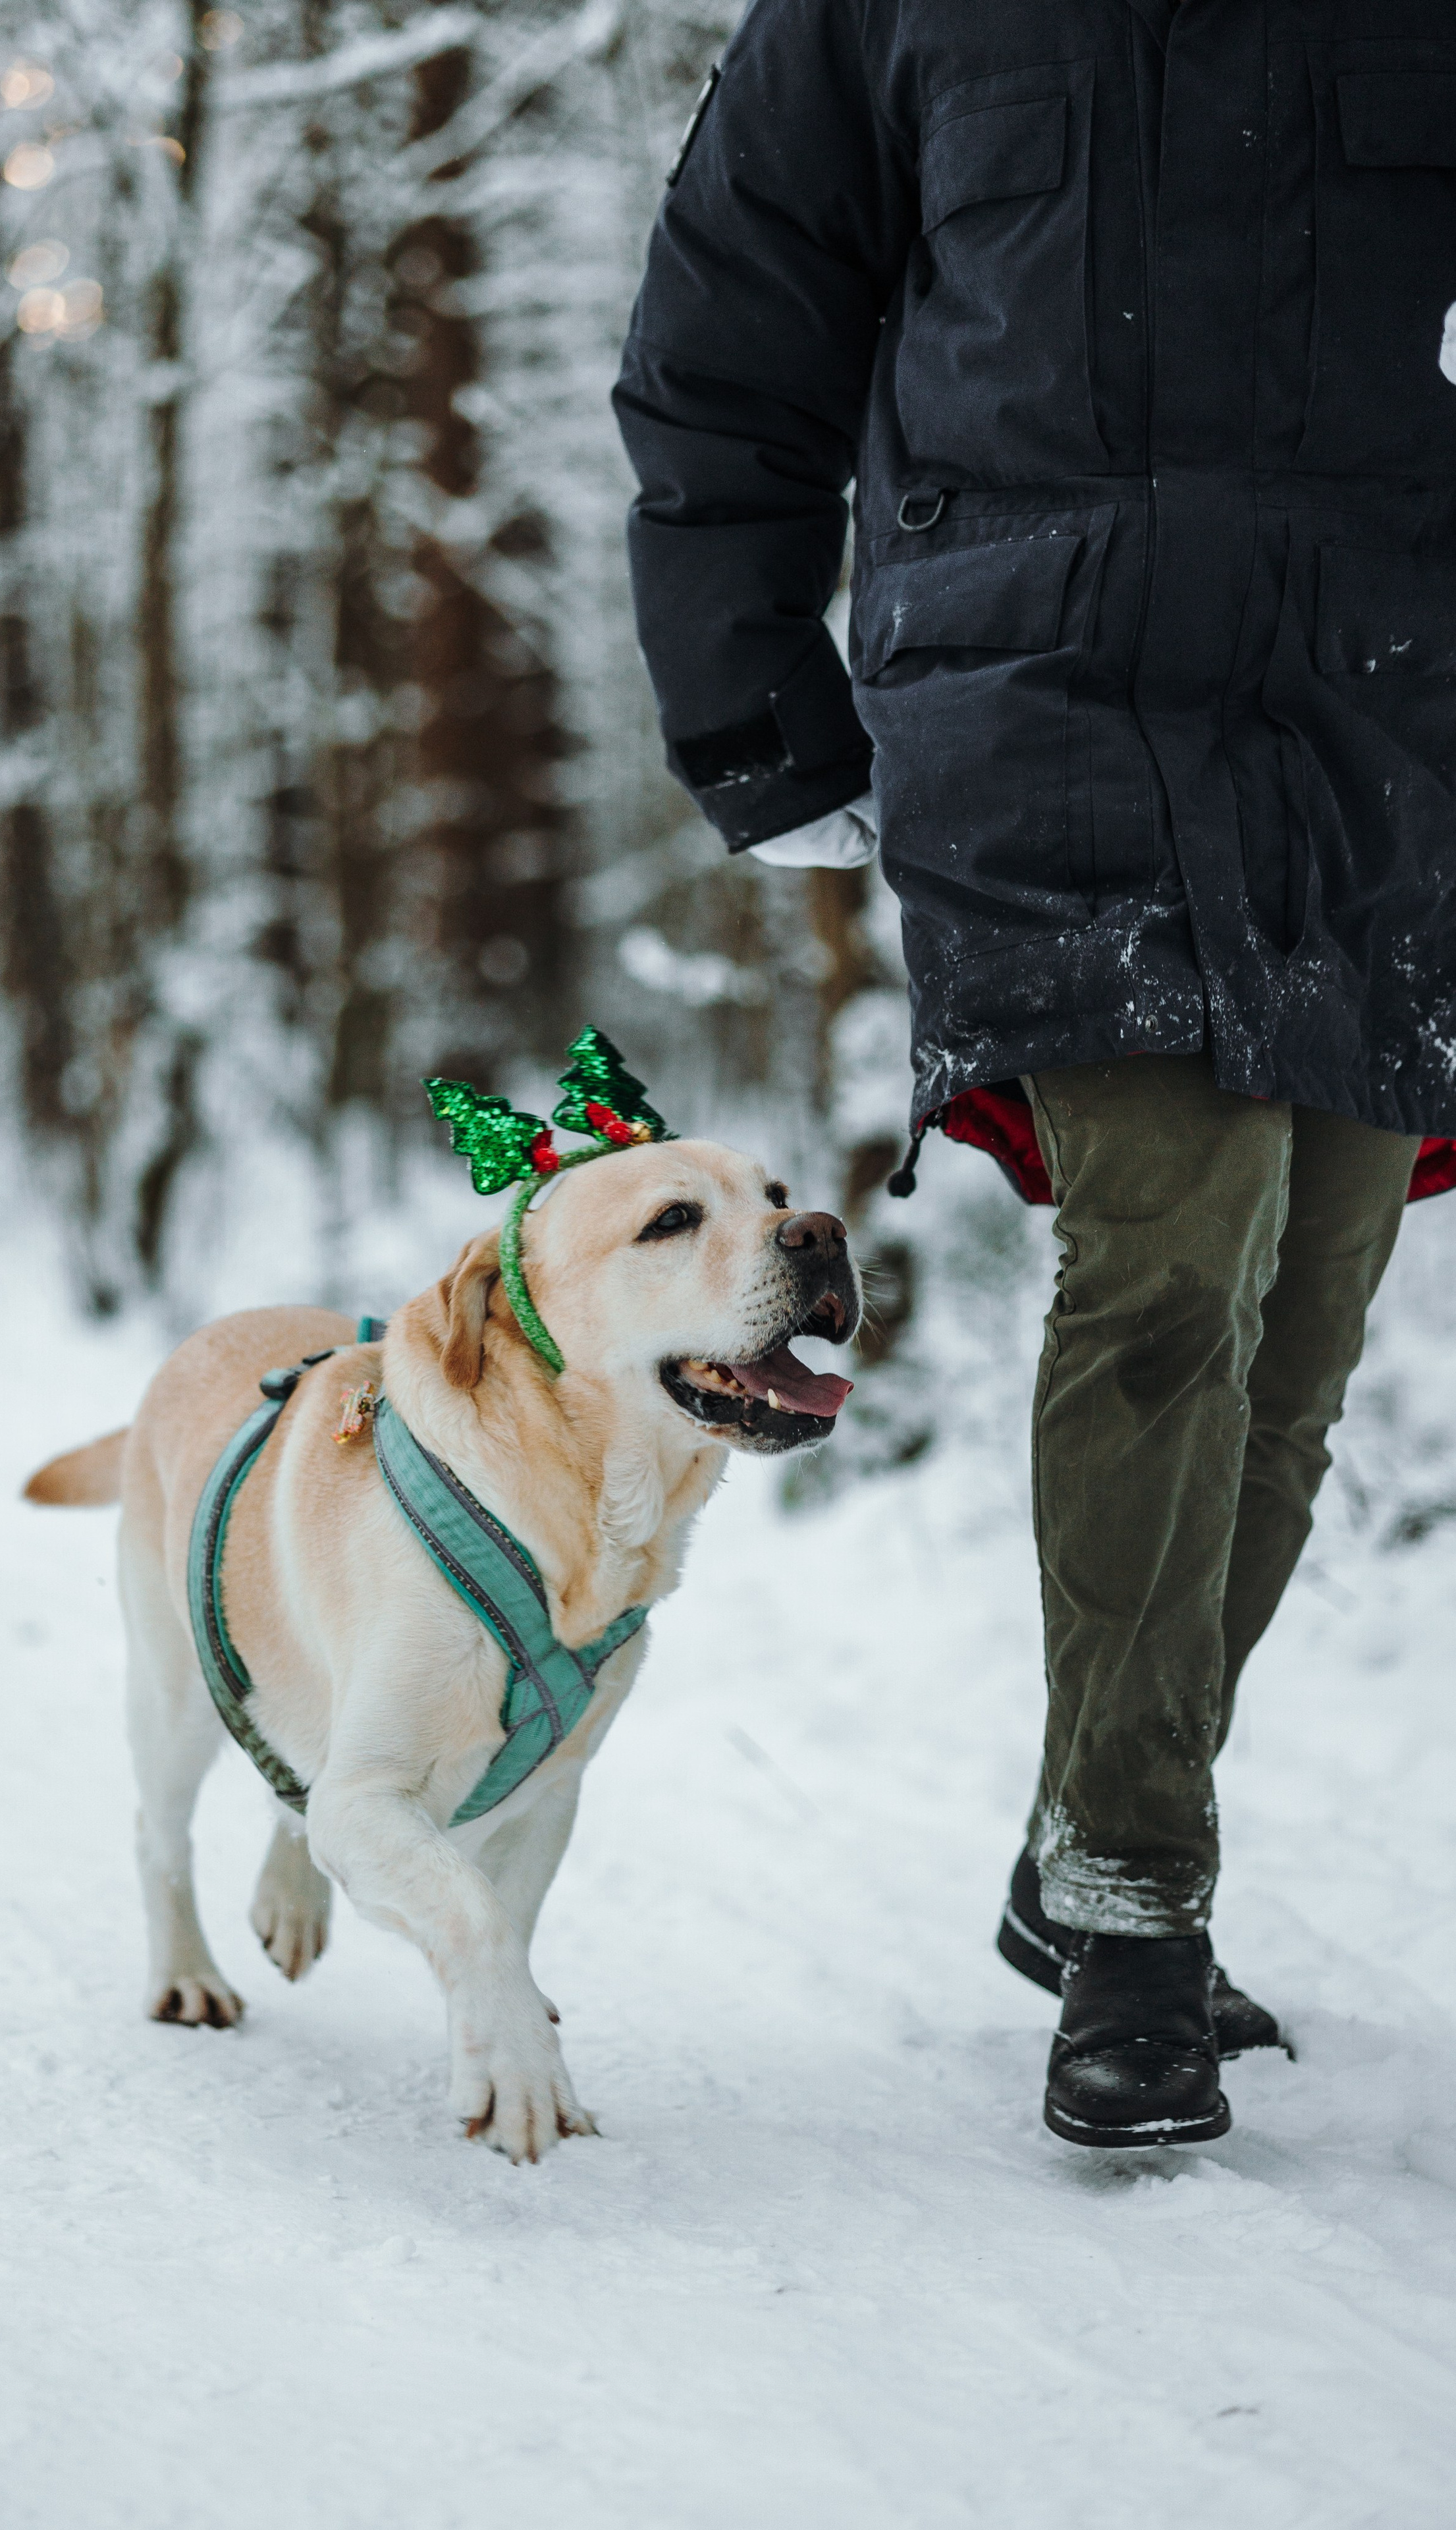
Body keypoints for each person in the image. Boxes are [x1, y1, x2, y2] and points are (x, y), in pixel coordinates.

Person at [614, 0, 1456, 2147]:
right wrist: (759, 712)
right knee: (1176, 1240)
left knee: (1306, 1307)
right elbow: (732, 328)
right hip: (1034, 682)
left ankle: (1090, 1813)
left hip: (1378, 702)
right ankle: (1135, 1906)